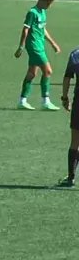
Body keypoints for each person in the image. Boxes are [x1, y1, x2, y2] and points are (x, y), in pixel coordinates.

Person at [15, 0, 61, 111]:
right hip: (34, 46)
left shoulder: (43, 12)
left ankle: (22, 101)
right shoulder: (32, 12)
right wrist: (21, 47)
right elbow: (25, 30)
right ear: (41, 0)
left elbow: (42, 29)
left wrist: (53, 43)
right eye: (47, 3)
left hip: (40, 45)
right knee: (48, 71)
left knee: (32, 73)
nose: (49, 6)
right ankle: (45, 101)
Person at [58, 46, 79, 187]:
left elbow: (67, 78)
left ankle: (71, 177)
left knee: (75, 140)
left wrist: (65, 98)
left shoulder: (75, 54)